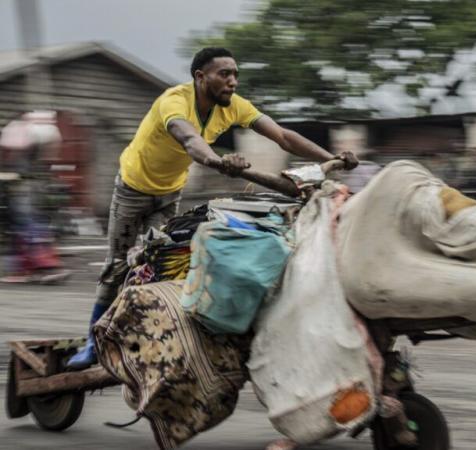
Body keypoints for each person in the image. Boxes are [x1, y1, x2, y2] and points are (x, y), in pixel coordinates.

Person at [67, 47, 358, 369]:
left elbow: (284, 136)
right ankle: (93, 343)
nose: (232, 81)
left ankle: (150, 332)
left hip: (168, 193)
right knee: (117, 265)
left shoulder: (233, 107)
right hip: (132, 190)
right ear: (200, 77)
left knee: (165, 260)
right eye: (224, 74)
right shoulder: (174, 102)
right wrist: (218, 161)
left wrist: (331, 157)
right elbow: (190, 139)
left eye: (235, 75)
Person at [0, 111, 71, 284]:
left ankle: (36, 267)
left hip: (23, 193)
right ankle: (32, 268)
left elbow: (18, 174)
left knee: (26, 228)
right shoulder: (31, 151)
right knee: (26, 229)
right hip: (24, 193)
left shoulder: (25, 152)